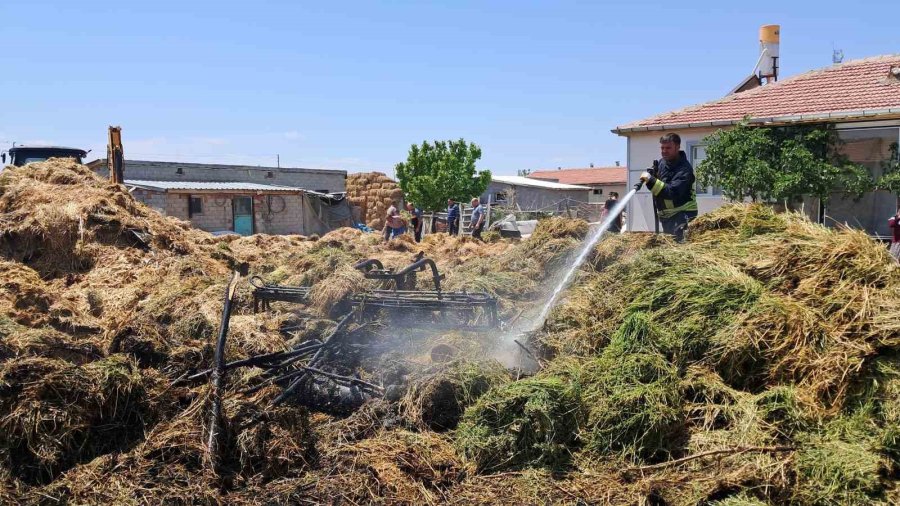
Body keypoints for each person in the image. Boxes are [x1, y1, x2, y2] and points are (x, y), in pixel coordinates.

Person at [640, 133, 698, 242]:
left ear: (677, 147)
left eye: (668, 148)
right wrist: (652, 176)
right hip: (667, 216)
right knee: (671, 245)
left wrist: (651, 181)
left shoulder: (684, 170)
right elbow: (659, 186)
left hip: (683, 214)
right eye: (662, 148)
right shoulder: (662, 163)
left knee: (679, 245)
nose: (664, 151)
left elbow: (671, 192)